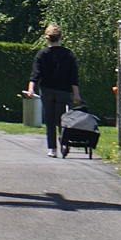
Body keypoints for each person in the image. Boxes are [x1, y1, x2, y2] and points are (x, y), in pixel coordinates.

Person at [26, 24, 80, 157]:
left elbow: (36, 74)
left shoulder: (42, 53)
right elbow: (73, 77)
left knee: (49, 120)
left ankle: (52, 149)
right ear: (60, 37)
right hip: (63, 91)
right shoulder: (68, 54)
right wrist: (76, 94)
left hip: (47, 90)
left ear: (47, 38)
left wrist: (31, 88)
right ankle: (64, 142)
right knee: (63, 119)